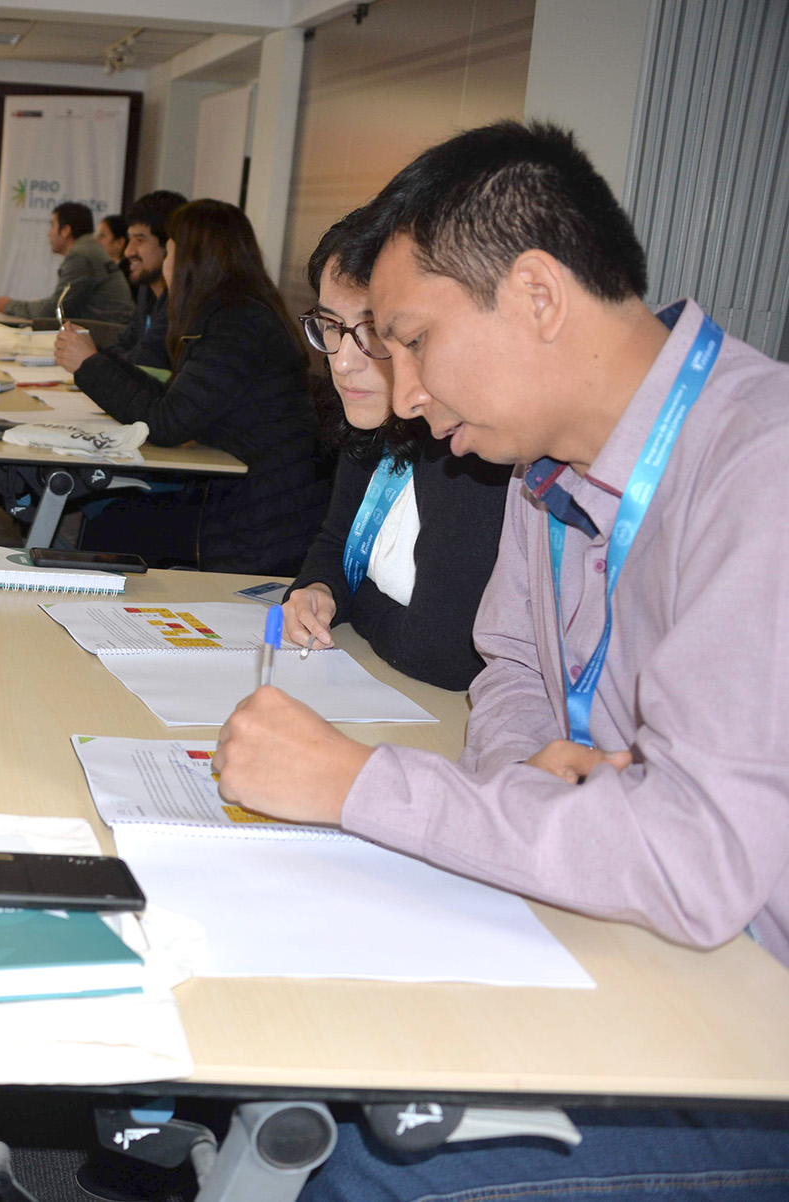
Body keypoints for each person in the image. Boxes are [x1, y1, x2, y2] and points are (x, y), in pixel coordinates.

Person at [214, 121, 789, 1200]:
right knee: (312, 1017)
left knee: (365, 1164)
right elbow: (513, 669)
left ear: (535, 293)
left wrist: (357, 782)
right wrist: (535, 769)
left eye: (415, 340)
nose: (407, 389)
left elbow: (697, 863)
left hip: (751, 1018)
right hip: (637, 944)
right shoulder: (548, 468)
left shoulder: (764, 470)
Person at [285, 209, 510, 690]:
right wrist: (318, 590)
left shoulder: (468, 450)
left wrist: (356, 597)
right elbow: (334, 544)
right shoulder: (372, 422)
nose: (343, 362)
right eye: (330, 325)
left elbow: (441, 654)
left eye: (372, 330)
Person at [56, 199, 328, 574]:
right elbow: (173, 400)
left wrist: (90, 365)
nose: (166, 263)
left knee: (110, 526)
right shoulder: (234, 312)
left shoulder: (236, 324)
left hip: (260, 520)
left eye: (170, 251)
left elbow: (168, 423)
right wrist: (96, 362)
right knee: (111, 519)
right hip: (248, 500)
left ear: (189, 259)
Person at [0, 201, 134, 325]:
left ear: (66, 230)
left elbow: (55, 310)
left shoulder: (81, 255)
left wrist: (8, 305)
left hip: (108, 337)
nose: (49, 233)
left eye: (52, 225)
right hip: (110, 332)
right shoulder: (88, 249)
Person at [106, 190, 184, 370]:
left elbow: (144, 358)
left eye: (139, 240)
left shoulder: (180, 300)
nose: (128, 252)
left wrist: (92, 360)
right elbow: (124, 343)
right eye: (129, 239)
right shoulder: (146, 290)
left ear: (170, 245)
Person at [95, 213, 129, 281]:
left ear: (119, 242)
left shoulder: (128, 276)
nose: (96, 240)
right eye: (96, 235)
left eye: (102, 235)